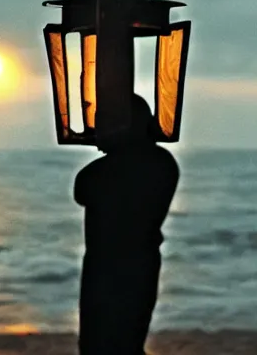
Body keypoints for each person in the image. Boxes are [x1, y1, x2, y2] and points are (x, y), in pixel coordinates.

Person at [73, 94, 180, 355]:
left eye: (103, 125)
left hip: (110, 267)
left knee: (105, 341)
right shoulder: (162, 163)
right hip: (137, 263)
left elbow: (83, 190)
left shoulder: (121, 167)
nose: (97, 132)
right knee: (125, 339)